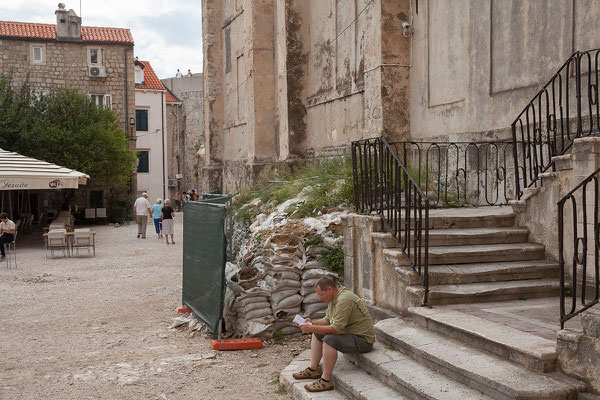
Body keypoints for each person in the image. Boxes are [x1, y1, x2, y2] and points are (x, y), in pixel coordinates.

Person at [294, 277, 375, 392]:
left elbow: (336, 330)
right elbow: (327, 319)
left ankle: (326, 381)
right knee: (317, 332)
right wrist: (311, 322)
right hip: (349, 334)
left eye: (321, 295)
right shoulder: (334, 298)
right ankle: (313, 370)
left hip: (363, 340)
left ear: (329, 289)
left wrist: (311, 327)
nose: (320, 298)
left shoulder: (344, 300)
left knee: (330, 339)